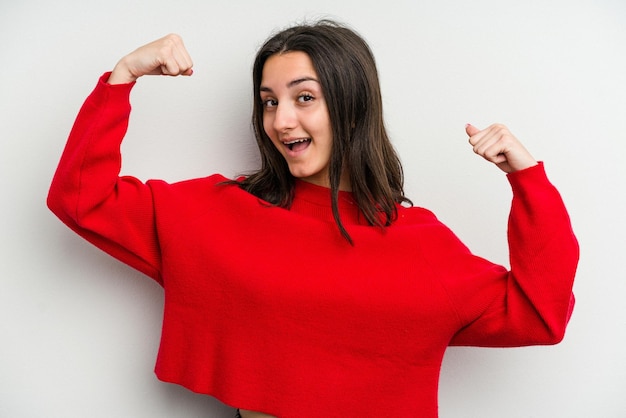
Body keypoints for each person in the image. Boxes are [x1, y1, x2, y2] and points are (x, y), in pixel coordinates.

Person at [47, 20, 578, 418]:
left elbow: (540, 314)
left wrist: (527, 179)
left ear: (351, 106)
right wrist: (123, 76)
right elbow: (81, 198)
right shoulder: (215, 213)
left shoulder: (420, 247)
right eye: (268, 101)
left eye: (305, 98)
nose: (282, 120)